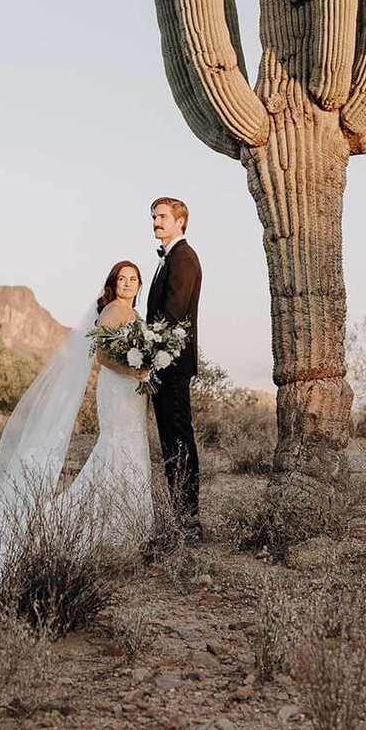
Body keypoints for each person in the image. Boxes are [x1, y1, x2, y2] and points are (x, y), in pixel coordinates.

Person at [0, 261, 153, 595]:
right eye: (123, 279)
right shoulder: (111, 313)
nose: (128, 284)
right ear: (113, 284)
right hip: (118, 388)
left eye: (133, 279)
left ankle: (127, 526)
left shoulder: (135, 315)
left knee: (132, 448)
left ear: (139, 284)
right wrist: (132, 371)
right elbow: (103, 357)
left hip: (133, 392)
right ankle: (108, 528)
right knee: (115, 447)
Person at [147, 196, 202, 537]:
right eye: (154, 216)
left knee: (179, 439)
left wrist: (146, 345)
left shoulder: (183, 258)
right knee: (170, 441)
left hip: (173, 363)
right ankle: (180, 514)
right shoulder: (168, 258)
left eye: (162, 216)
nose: (156, 221)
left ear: (181, 221)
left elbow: (173, 312)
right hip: (162, 363)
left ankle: (190, 518)